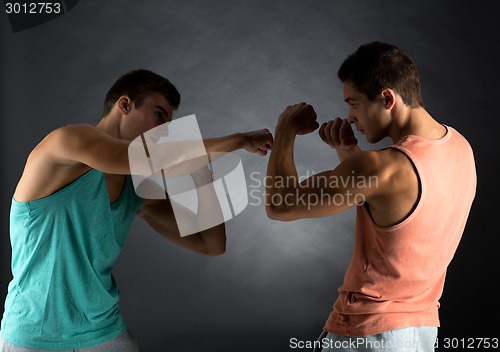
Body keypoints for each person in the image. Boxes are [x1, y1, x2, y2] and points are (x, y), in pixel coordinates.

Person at [0, 69, 273, 351]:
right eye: (158, 115)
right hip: (33, 334)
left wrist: (199, 169)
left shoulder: (136, 189)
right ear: (125, 105)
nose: (165, 132)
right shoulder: (67, 141)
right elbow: (128, 158)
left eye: (169, 122)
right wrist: (237, 140)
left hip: (104, 332)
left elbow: (212, 244)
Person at [265, 42, 476, 351]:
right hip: (420, 333)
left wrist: (284, 129)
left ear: (387, 98)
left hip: (366, 334)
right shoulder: (461, 147)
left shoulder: (382, 167)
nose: (350, 116)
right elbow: (393, 207)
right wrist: (348, 152)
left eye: (354, 103)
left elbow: (278, 204)